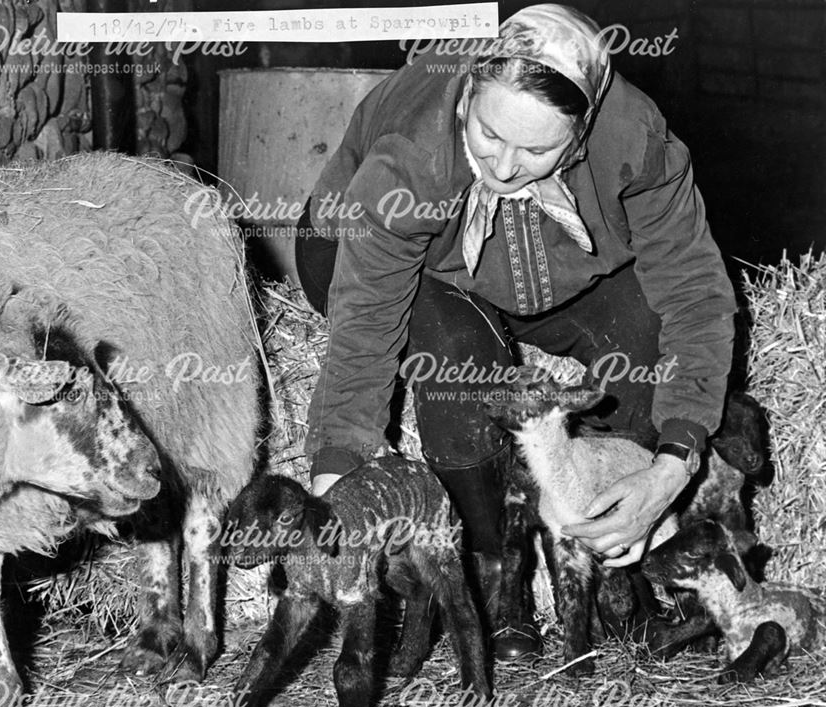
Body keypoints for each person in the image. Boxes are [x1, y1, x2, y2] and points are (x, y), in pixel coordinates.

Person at [293, 4, 736, 659]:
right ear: (468, 92)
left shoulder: (635, 141)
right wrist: (338, 487)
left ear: (581, 135)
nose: (502, 167)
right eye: (488, 133)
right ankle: (492, 574)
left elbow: (696, 297)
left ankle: (610, 555)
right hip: (382, 254)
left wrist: (675, 463)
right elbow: (363, 334)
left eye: (536, 150)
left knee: (642, 322)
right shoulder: (411, 158)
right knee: (457, 353)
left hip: (558, 269)